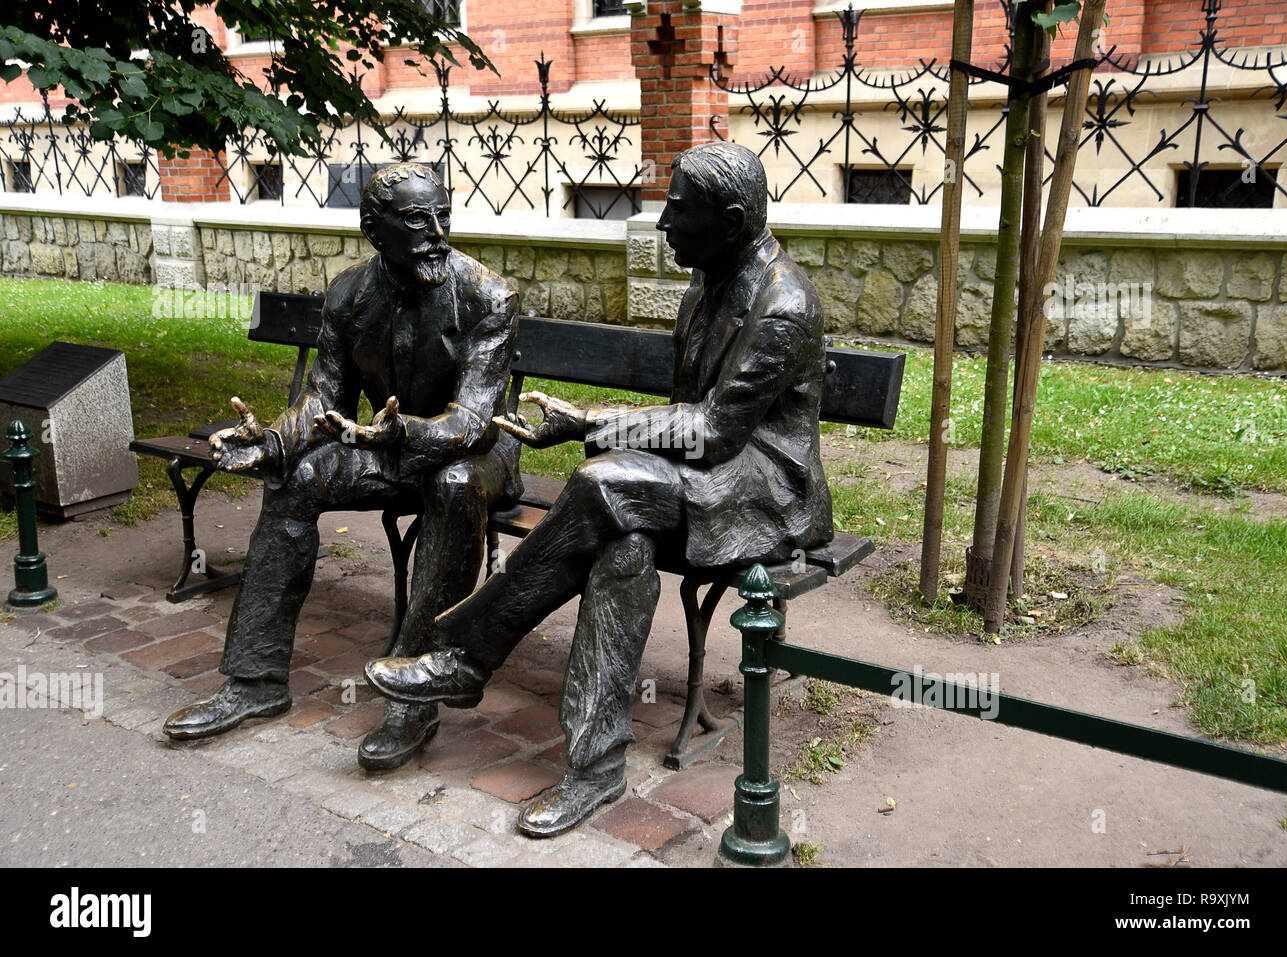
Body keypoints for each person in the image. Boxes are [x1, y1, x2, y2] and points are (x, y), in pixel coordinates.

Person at [365, 142, 832, 836]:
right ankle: (595, 765)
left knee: (601, 482)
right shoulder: (708, 281)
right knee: (624, 545)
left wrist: (591, 425)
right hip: (699, 479)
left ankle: (468, 655)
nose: (663, 222)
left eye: (677, 209)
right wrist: (611, 435)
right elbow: (685, 422)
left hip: (764, 492)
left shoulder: (783, 304)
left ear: (730, 220)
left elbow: (713, 432)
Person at [164, 163, 521, 773]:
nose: (437, 232)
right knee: (297, 480)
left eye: (444, 215)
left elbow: (473, 422)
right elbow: (325, 399)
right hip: (386, 445)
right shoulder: (349, 294)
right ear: (374, 230)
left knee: (452, 485)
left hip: (474, 452)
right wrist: (274, 442)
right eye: (417, 221)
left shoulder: (488, 295)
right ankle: (255, 679)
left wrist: (400, 431)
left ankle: (414, 694)